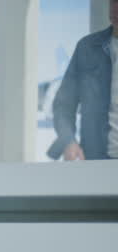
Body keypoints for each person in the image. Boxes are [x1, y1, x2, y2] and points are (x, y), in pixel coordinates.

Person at [49, 1, 117, 162]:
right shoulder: (87, 48)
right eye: (113, 1)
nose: (116, 8)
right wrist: (69, 141)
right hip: (95, 163)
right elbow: (63, 106)